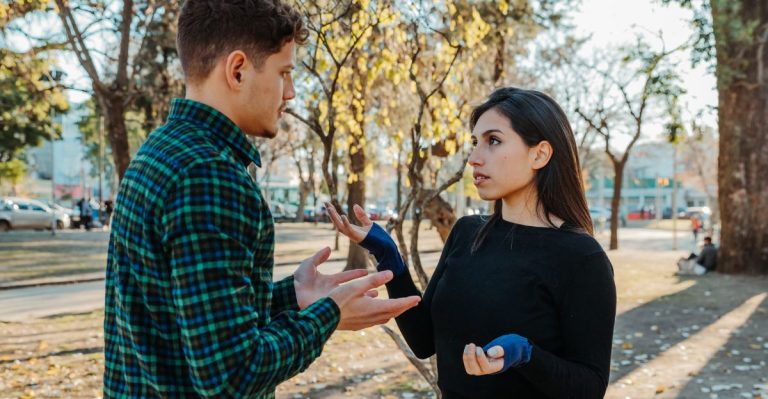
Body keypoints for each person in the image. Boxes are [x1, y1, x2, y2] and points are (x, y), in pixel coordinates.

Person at [102, 1, 420, 397]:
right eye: (284, 73)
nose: (290, 92)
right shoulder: (210, 176)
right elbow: (231, 376)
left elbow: (192, 317)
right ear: (238, 70)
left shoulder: (162, 152)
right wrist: (329, 314)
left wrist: (293, 297)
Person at [328, 87, 617, 398]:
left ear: (540, 154)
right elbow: (423, 341)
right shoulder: (467, 232)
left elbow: (590, 386)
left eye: (493, 141)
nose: (474, 159)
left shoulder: (581, 257)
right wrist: (389, 257)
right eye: (475, 143)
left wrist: (526, 355)